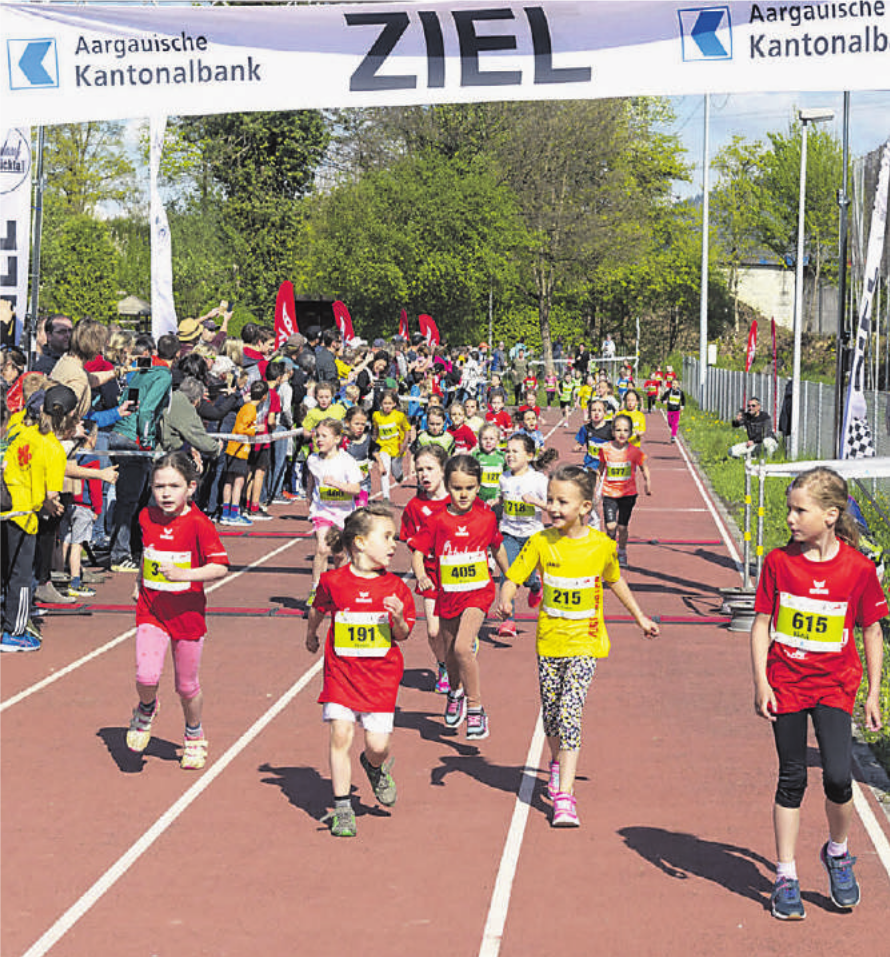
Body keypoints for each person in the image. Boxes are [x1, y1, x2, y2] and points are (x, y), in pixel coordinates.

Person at [750, 467, 887, 920]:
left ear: (830, 515)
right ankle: (785, 875)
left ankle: (838, 852)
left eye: (799, 510)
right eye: (789, 508)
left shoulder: (858, 568)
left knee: (837, 778)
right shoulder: (778, 562)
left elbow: (871, 628)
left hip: (835, 685)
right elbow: (761, 624)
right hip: (786, 683)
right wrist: (760, 682)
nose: (790, 517)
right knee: (791, 778)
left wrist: (872, 692)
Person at [497, 464, 658, 827]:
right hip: (549, 644)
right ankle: (556, 765)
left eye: (562, 501)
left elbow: (616, 582)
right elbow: (514, 577)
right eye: (550, 500)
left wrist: (640, 617)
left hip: (586, 643)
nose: (553, 507)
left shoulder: (602, 547)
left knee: (571, 712)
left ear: (586, 507)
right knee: (552, 715)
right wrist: (506, 597)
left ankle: (566, 797)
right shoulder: (540, 542)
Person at [305, 505, 416, 837]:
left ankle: (374, 766)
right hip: (341, 673)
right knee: (341, 734)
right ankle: (342, 808)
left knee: (378, 744)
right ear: (360, 543)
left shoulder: (396, 588)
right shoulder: (334, 581)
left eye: (394, 537)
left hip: (381, 678)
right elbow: (318, 608)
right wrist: (310, 633)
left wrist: (396, 617)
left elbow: (403, 634)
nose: (394, 544)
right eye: (386, 537)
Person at [125, 451, 229, 770]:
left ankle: (194, 733)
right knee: (146, 674)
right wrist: (140, 581)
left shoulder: (199, 523)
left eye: (174, 486)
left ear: (191, 487)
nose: (166, 493)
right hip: (152, 610)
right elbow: (148, 553)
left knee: (186, 686)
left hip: (187, 614)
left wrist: (186, 574)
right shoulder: (146, 516)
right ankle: (146, 708)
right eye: (159, 486)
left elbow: (220, 567)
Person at [409, 455, 510, 740]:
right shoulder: (438, 520)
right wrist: (421, 574)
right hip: (448, 595)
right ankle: (455, 693)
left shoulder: (486, 517)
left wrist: (510, 580)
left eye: (469, 488)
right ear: (448, 487)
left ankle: (477, 710)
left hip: (479, 593)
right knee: (451, 652)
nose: (463, 494)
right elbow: (418, 551)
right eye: (457, 488)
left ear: (478, 487)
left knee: (464, 648)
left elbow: (497, 547)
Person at [400, 445, 450, 694]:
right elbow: (407, 537)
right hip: (429, 574)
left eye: (430, 468)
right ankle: (443, 666)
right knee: (433, 631)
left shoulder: (457, 501)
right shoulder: (414, 507)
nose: (424, 475)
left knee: (456, 629)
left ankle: (461, 650)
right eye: (419, 470)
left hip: (457, 575)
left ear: (443, 470)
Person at [496, 434, 556, 639]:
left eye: (515, 451)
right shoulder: (503, 478)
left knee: (527, 576)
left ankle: (535, 585)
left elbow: (553, 507)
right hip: (509, 534)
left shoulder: (539, 480)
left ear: (529, 456)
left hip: (533, 536)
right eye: (507, 451)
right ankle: (508, 619)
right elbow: (502, 501)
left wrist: (535, 502)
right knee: (508, 573)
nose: (509, 455)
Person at [306, 418, 362, 607]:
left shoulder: (347, 461)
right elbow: (311, 483)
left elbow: (355, 489)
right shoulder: (313, 460)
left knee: (339, 555)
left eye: (324, 436)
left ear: (337, 439)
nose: (319, 440)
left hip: (343, 514)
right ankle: (316, 590)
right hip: (322, 511)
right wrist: (309, 504)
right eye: (317, 435)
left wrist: (336, 484)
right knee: (322, 548)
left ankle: (340, 589)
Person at [598, 414, 651, 567]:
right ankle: (610, 550)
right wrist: (595, 484)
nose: (622, 433)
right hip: (609, 493)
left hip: (628, 494)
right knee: (610, 526)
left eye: (626, 430)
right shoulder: (605, 449)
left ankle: (621, 551)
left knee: (622, 527)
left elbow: (644, 467)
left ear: (630, 433)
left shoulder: (635, 451)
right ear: (613, 431)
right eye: (618, 430)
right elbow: (600, 469)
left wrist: (648, 482)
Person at [220, 380, 266, 527]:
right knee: (237, 481)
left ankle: (226, 512)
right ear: (264, 397)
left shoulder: (246, 407)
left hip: (235, 448)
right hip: (239, 449)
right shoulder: (250, 409)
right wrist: (256, 430)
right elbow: (241, 429)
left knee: (230, 480)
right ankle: (233, 513)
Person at [371, 390, 410, 502]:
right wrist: (373, 444)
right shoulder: (376, 415)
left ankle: (399, 475)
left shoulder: (400, 416)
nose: (387, 406)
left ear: (394, 404)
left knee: (395, 470)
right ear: (381, 404)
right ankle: (386, 497)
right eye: (385, 403)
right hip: (384, 447)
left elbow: (407, 430)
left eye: (389, 403)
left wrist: (404, 444)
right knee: (385, 471)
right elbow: (375, 430)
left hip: (397, 448)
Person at [343, 405, 378, 508]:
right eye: (356, 424)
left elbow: (374, 451)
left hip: (363, 484)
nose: (360, 427)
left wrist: (380, 463)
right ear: (347, 423)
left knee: (360, 511)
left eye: (363, 424)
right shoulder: (342, 440)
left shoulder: (367, 439)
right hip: (346, 485)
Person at [573, 399, 612, 476]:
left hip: (606, 465)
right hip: (590, 463)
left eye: (599, 410)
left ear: (605, 413)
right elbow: (580, 442)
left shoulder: (610, 430)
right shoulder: (586, 429)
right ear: (589, 413)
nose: (596, 413)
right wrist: (578, 446)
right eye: (594, 410)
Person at [474, 422, 506, 507]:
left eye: (491, 439)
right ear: (479, 440)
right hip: (480, 498)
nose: (488, 441)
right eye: (485, 439)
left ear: (498, 441)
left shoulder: (503, 457)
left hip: (497, 499)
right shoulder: (476, 456)